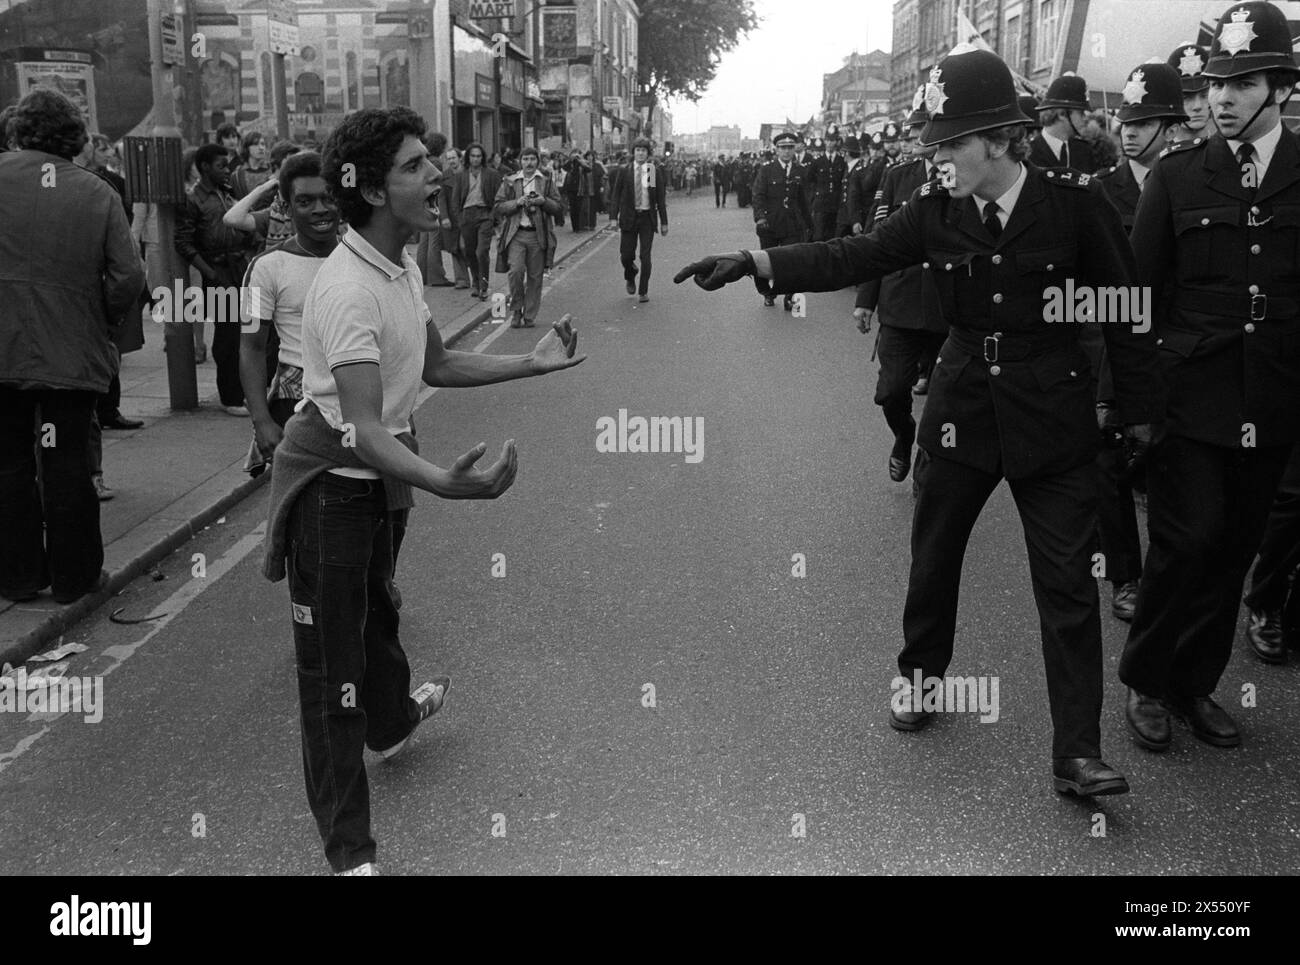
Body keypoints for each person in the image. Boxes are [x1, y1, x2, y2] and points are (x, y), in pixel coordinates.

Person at [674, 45, 1163, 798]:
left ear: (1000, 139)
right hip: (964, 409)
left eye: (951, 142)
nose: (937, 156)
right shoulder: (934, 212)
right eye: (934, 143)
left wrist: (1136, 416)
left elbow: (1126, 312)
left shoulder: (1074, 209)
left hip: (1052, 418)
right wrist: (757, 263)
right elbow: (854, 252)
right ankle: (921, 678)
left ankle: (1077, 751)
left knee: (1068, 586)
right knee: (934, 559)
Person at [260, 106, 584, 875]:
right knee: (332, 678)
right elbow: (364, 429)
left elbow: (435, 365)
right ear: (371, 190)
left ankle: (394, 719)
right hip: (334, 492)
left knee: (379, 610)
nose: (436, 174)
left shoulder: (399, 265)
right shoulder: (345, 290)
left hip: (377, 486)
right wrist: (445, 481)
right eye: (414, 166)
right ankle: (352, 855)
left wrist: (528, 364)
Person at [1119, 1, 1300, 753]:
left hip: (1274, 397)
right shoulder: (1178, 176)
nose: (1222, 96)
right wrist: (1130, 402)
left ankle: (1195, 683)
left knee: (1234, 549)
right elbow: (1137, 294)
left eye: (1244, 80)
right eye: (1217, 81)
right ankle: (1145, 678)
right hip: (1189, 398)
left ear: (1282, 88)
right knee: (1186, 542)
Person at [0, 88, 144, 605]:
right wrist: (100, 313)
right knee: (66, 463)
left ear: (17, 131)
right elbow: (129, 275)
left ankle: (18, 577)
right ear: (76, 138)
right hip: (71, 353)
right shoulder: (97, 192)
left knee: (9, 465)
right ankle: (76, 578)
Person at [1091, 63, 1188, 623]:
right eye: (1126, 119)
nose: (1129, 130)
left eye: (1145, 120)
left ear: (1170, 125)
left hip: (1177, 350)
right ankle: (1124, 576)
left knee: (1169, 469)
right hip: (1110, 347)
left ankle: (1169, 577)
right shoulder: (1100, 192)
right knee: (1109, 466)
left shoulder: (1190, 184)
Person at [852, 92, 947, 484]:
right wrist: (865, 301)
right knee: (891, 392)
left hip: (946, 306)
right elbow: (879, 242)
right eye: (911, 131)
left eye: (921, 129)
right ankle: (904, 435)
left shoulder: (960, 173)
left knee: (945, 402)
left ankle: (929, 460)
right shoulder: (898, 176)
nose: (914, 138)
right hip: (900, 300)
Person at [237, 150, 337, 479]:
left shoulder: (364, 258)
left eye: (327, 197)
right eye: (305, 201)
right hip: (295, 408)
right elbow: (251, 347)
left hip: (361, 405)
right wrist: (262, 421)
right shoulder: (266, 267)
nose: (320, 209)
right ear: (286, 206)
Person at [493, 145, 563, 327]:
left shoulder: (546, 181)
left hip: (538, 235)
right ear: (520, 162)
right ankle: (516, 310)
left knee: (535, 277)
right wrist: (516, 202)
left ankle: (529, 315)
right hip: (516, 234)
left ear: (538, 162)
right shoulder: (510, 181)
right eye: (525, 159)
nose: (529, 163)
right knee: (515, 272)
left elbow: (558, 207)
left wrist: (543, 201)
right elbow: (498, 206)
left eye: (532, 159)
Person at [750, 131, 811, 311]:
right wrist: (760, 217)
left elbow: (804, 200)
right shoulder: (767, 169)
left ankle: (791, 297)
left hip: (792, 223)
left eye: (790, 148)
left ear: (794, 149)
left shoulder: (801, 170)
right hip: (769, 222)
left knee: (793, 261)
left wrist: (809, 225)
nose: (786, 152)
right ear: (776, 150)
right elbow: (758, 195)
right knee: (765, 260)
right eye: (783, 148)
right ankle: (767, 292)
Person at [611, 137, 669, 304]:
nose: (641, 153)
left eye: (644, 150)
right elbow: (616, 196)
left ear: (648, 153)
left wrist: (664, 222)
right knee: (626, 256)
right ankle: (630, 275)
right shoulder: (624, 171)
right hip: (629, 218)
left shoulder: (651, 171)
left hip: (646, 219)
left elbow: (659, 199)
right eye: (638, 150)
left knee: (645, 256)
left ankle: (643, 291)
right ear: (633, 152)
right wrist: (613, 218)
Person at [444, 141, 501, 300]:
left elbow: (498, 196)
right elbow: (455, 200)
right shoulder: (461, 176)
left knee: (481, 251)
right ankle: (475, 282)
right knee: (470, 252)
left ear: (482, 157)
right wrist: (459, 218)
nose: (476, 159)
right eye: (473, 156)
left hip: (485, 215)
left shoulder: (491, 174)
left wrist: (493, 216)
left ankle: (484, 284)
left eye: (479, 156)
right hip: (467, 216)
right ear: (468, 158)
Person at [1030, 74, 1099, 173]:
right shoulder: (1028, 153)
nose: (1086, 118)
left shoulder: (1084, 151)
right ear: (1062, 114)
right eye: (1081, 113)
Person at [1166, 43, 1214, 144]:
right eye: (1186, 98)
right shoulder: (1157, 157)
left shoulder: (1230, 151)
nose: (1197, 106)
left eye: (1204, 96)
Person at [231, 131, 272, 198]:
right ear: (247, 148)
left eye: (263, 144)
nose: (261, 148)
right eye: (256, 144)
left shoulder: (272, 169)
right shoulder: (237, 175)